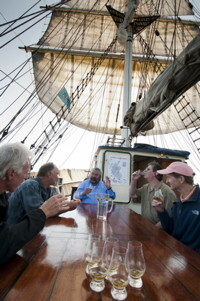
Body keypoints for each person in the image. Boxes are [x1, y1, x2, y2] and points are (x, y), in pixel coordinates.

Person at [0, 142, 78, 265]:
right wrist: (48, 210)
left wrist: (63, 207)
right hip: (15, 244)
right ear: (11, 173)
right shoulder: (30, 185)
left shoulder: (3, 196)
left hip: (20, 239)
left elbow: (47, 211)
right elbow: (39, 212)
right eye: (26, 173)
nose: (26, 178)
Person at [152, 161, 200, 253]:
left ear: (181, 179)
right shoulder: (178, 202)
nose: (166, 181)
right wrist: (161, 211)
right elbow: (170, 229)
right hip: (177, 253)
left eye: (169, 177)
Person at [129, 161, 176, 226]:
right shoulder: (145, 187)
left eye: (147, 169)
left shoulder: (167, 191)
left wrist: (154, 229)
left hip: (158, 230)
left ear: (155, 173)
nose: (144, 171)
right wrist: (133, 180)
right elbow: (132, 194)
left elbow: (170, 216)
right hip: (145, 225)